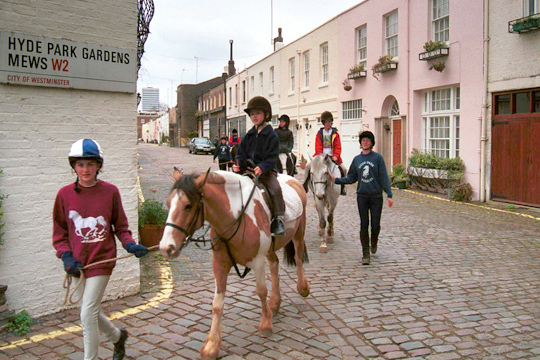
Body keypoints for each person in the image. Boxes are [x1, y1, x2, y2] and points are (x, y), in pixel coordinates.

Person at [52, 139, 149, 360]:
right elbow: (59, 233)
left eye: (90, 164)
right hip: (76, 263)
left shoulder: (111, 192)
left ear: (98, 166)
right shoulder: (64, 195)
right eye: (80, 164)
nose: (85, 169)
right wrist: (66, 256)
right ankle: (117, 336)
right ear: (73, 167)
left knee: (87, 313)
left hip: (101, 261)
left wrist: (130, 244)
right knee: (91, 310)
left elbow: (121, 227)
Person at [329, 131, 393, 265]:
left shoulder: (378, 158)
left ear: (371, 143)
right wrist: (336, 180)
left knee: (375, 225)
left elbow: (384, 177)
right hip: (362, 196)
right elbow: (352, 177)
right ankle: (365, 253)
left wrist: (389, 194)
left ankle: (374, 241)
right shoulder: (357, 160)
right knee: (364, 224)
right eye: (363, 140)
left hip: (376, 196)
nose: (365, 143)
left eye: (368, 141)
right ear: (360, 143)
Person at [233, 96, 286, 236]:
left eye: (257, 113)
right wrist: (238, 164)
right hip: (248, 171)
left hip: (266, 172)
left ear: (266, 114)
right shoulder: (248, 135)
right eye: (252, 114)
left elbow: (272, 156)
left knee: (275, 189)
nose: (254, 116)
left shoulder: (272, 135)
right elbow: (241, 153)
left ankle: (279, 219)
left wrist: (263, 167)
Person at [303, 111, 347, 195]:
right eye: (326, 122)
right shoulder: (319, 134)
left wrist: (336, 156)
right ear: (323, 123)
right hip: (321, 156)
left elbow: (338, 146)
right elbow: (318, 146)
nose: (328, 124)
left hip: (332, 157)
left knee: (344, 169)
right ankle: (305, 184)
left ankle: (343, 187)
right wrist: (320, 156)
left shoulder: (335, 134)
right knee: (308, 166)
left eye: (330, 122)